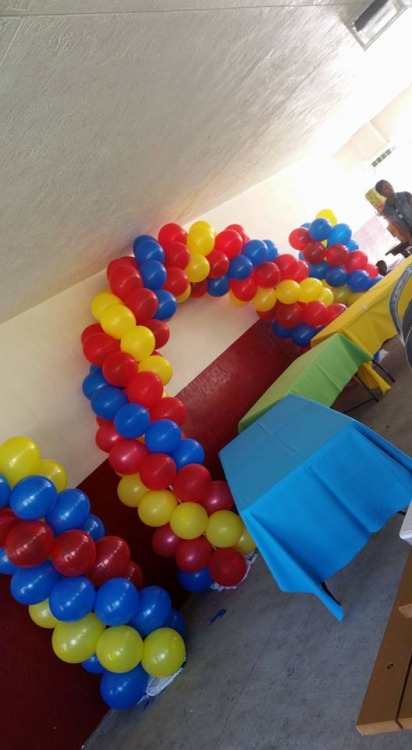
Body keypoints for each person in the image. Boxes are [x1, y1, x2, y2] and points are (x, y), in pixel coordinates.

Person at [375, 180, 412, 244]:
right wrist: (409, 239)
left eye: (390, 185)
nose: (390, 188)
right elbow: (398, 226)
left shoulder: (405, 195)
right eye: (386, 188)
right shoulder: (386, 210)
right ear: (381, 194)